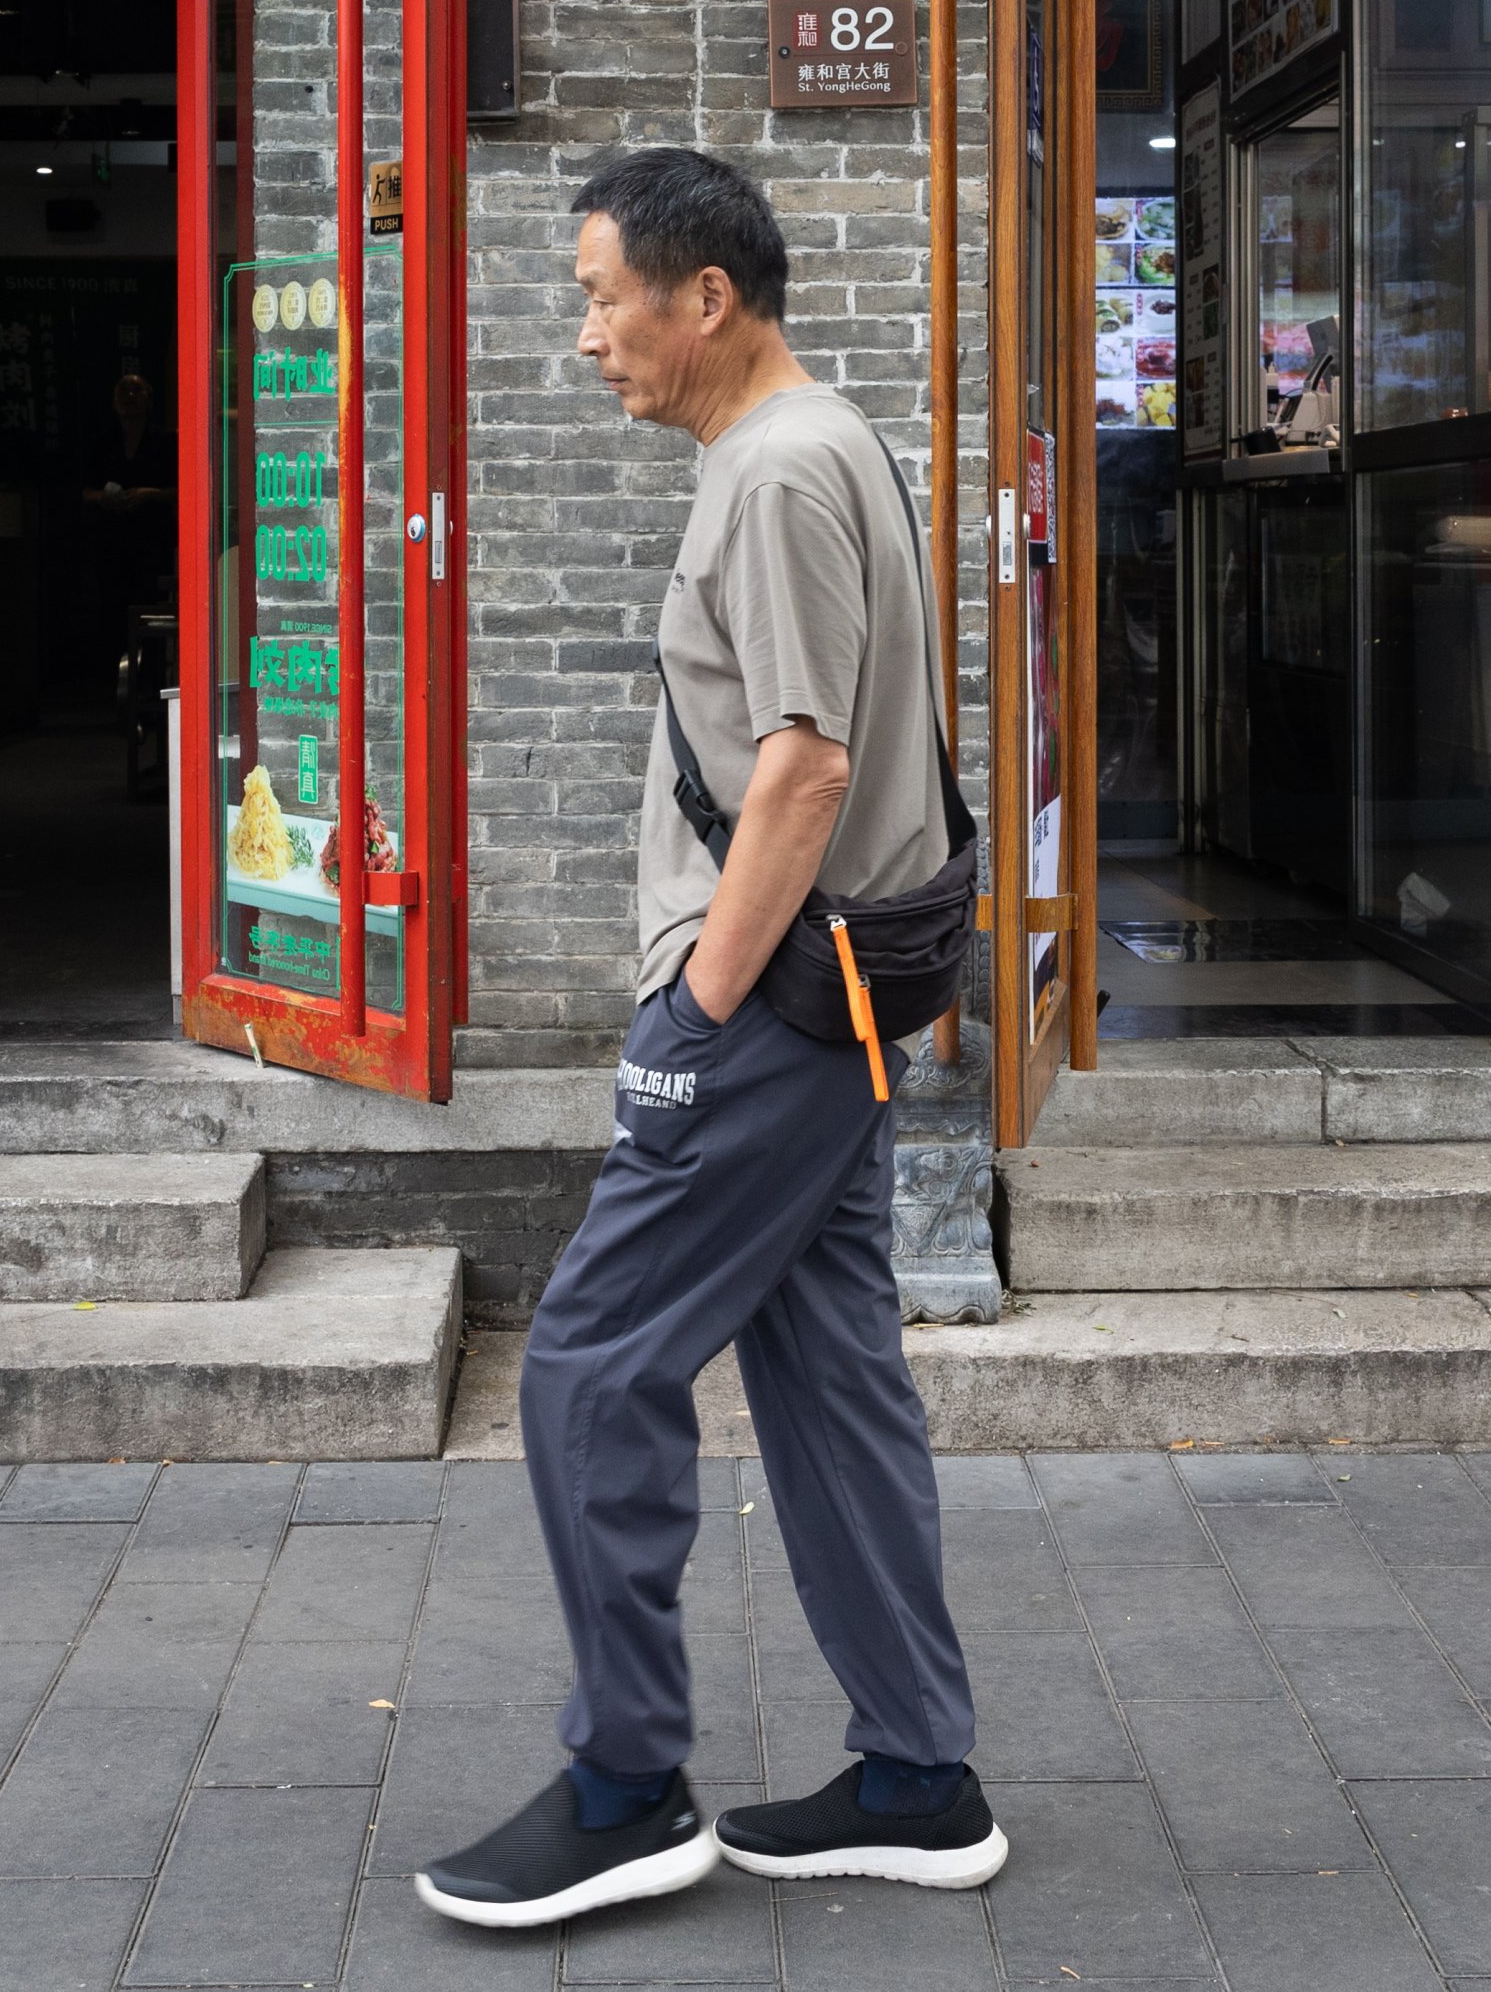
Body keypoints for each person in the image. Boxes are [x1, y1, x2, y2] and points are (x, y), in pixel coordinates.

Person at [418, 146, 1000, 1931]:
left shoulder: (773, 470)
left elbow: (805, 763)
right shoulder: (820, 446)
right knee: (829, 1380)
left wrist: (695, 1012)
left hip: (770, 1003)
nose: (588, 333)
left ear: (706, 300)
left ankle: (624, 1785)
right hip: (833, 1004)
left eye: (604, 295)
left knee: (590, 1362)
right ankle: (917, 1771)